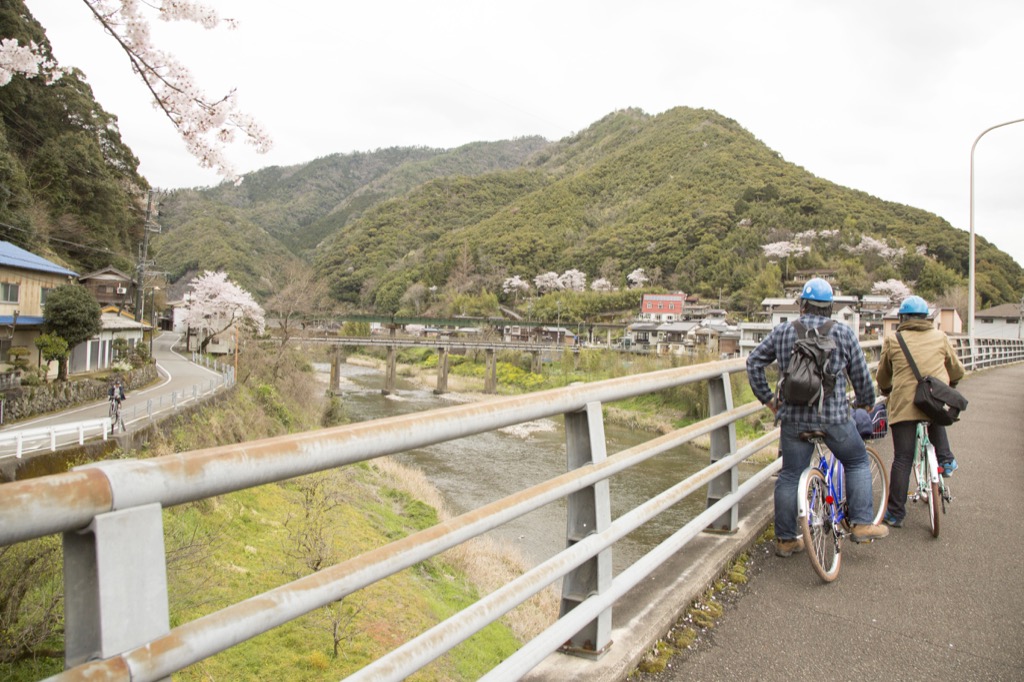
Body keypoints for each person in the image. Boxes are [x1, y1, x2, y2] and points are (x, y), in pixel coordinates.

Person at [746, 277, 889, 557]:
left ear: (803, 306)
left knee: (790, 475)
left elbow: (754, 362)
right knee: (857, 459)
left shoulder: (784, 332)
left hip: (794, 419)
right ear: (831, 307)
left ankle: (786, 540)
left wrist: (769, 400)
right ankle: (861, 523)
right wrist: (866, 404)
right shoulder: (844, 333)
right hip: (834, 418)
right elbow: (860, 376)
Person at [874, 295, 965, 528]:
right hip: (933, 400)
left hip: (904, 405)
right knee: (934, 412)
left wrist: (886, 389)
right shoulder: (940, 337)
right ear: (926, 318)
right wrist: (950, 385)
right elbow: (957, 371)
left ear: (902, 318)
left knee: (903, 458)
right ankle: (946, 460)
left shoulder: (894, 339)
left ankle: (895, 514)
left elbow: (884, 375)